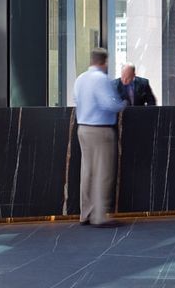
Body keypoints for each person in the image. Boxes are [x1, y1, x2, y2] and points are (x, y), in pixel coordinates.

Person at [73, 47, 126, 228]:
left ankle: (85, 214)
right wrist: (122, 103)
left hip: (83, 128)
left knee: (87, 172)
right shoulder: (101, 79)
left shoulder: (80, 79)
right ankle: (99, 217)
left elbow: (76, 100)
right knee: (103, 173)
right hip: (100, 130)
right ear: (104, 62)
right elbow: (108, 104)